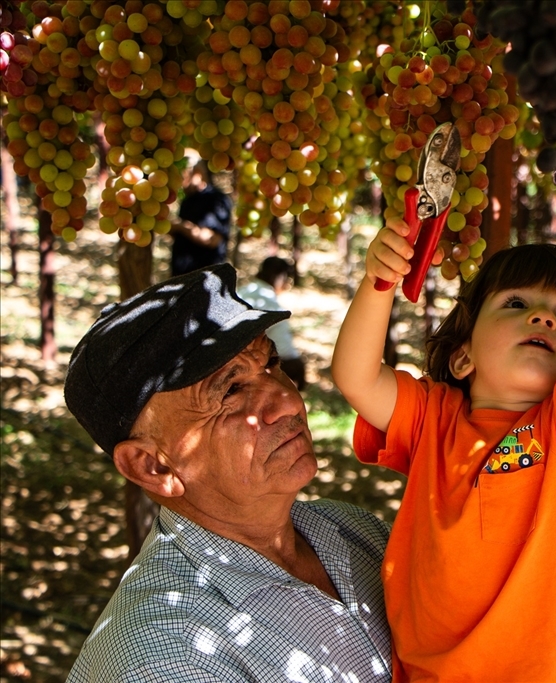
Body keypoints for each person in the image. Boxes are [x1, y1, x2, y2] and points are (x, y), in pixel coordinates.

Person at [332, 149, 556, 682]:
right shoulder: (432, 417)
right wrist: (379, 282)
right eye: (516, 303)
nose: (544, 316)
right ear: (463, 356)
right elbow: (356, 377)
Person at [64, 264, 392, 682]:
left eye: (271, 363)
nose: (289, 402)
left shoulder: (353, 531)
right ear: (154, 466)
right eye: (232, 390)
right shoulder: (165, 659)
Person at [238, 256, 307, 390]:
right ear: (280, 278)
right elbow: (285, 350)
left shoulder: (242, 291)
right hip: (259, 364)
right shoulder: (270, 303)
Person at [169, 158, 233, 276]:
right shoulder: (187, 201)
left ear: (197, 174)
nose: (179, 180)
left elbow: (212, 239)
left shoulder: (216, 200)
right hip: (181, 278)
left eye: (183, 174)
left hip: (206, 279)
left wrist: (181, 226)